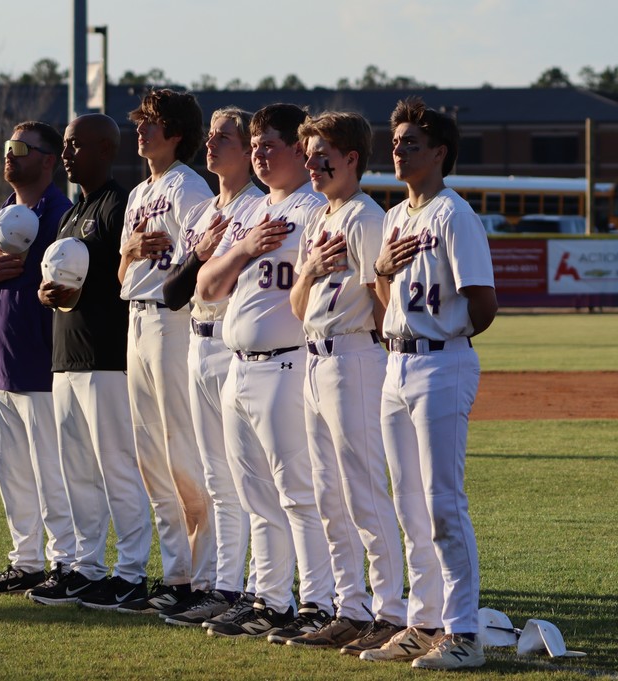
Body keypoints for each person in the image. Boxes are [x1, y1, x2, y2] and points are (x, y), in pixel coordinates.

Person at [360, 97, 497, 670]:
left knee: (443, 502)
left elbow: (484, 304)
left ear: (440, 152)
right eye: (395, 141)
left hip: (442, 362)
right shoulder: (395, 217)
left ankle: (462, 632)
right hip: (397, 362)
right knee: (408, 503)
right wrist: (384, 272)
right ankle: (424, 621)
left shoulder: (454, 214)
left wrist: (444, 336)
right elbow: (385, 306)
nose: (399, 149)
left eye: (411, 141)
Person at [196, 103, 335, 638]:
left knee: (298, 494)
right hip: (239, 369)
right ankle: (269, 601)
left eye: (268, 144)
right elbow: (207, 287)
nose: (257, 153)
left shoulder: (313, 209)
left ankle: (318, 602)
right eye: (253, 144)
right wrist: (245, 248)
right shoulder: (250, 214)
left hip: (287, 365)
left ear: (300, 150)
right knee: (256, 497)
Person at [283, 111, 407, 653]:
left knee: (363, 493)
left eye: (321, 153)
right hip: (313, 359)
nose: (311, 163)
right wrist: (308, 271)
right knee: (328, 495)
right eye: (307, 153)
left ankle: (389, 612)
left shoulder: (362, 217)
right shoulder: (320, 217)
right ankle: (349, 609)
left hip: (354, 357)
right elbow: (296, 306)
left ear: (352, 157)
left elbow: (381, 303)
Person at [28, 113, 154, 609]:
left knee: (117, 469)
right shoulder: (71, 212)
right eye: (64, 145)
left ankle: (129, 573)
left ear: (105, 148)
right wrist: (48, 290)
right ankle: (85, 567)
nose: (66, 153)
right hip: (67, 357)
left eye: (76, 145)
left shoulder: (120, 204)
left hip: (107, 357)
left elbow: (128, 279)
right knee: (76, 472)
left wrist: (82, 286)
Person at [159, 106, 263, 627]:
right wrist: (198, 254)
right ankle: (219, 585)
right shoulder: (204, 213)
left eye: (225, 137)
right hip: (197, 346)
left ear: (248, 150)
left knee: (246, 479)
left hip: (232, 345)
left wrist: (208, 260)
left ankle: (243, 588)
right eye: (213, 135)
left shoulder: (258, 207)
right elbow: (172, 292)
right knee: (216, 478)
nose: (212, 143)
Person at [116, 88, 215, 615]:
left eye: (151, 122)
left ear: (175, 132)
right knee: (151, 456)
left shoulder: (189, 187)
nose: (141, 130)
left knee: (183, 455)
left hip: (172, 324)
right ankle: (175, 574)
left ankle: (203, 577)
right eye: (140, 122)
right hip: (136, 318)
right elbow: (121, 275)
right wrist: (129, 249)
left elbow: (197, 263)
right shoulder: (138, 193)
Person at [0, 121, 75, 594]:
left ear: (48, 160)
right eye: (8, 146)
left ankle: (66, 564)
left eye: (21, 148)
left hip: (44, 365)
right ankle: (25, 562)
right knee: (12, 476)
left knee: (54, 475)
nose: (9, 155)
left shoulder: (61, 214)